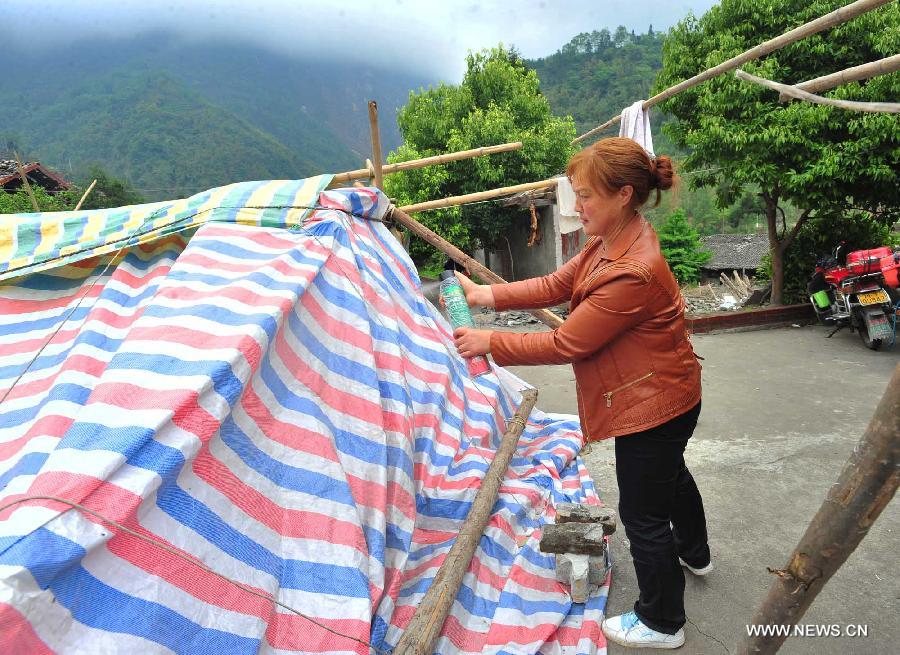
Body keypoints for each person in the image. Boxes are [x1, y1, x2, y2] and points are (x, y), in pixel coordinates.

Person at [451, 137, 711, 650]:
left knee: (643, 515)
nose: (577, 207)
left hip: (652, 406)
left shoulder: (633, 270)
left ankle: (663, 621)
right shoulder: (611, 239)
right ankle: (696, 551)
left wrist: (488, 341)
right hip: (669, 393)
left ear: (624, 194)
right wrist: (488, 295)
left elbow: (567, 341)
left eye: (587, 195)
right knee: (671, 478)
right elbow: (555, 284)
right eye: (576, 194)